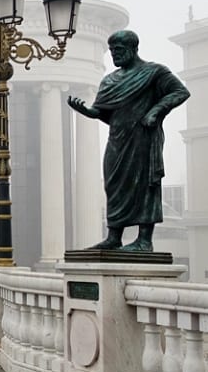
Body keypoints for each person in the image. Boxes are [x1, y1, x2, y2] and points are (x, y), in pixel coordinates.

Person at [68, 30, 190, 252]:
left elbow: (180, 92)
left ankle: (144, 240)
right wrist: (85, 111)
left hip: (144, 138)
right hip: (117, 140)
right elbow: (102, 112)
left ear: (134, 49)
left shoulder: (154, 72)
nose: (114, 54)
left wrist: (156, 110)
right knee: (113, 184)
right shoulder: (110, 80)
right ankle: (114, 237)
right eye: (112, 51)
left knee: (145, 184)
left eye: (119, 50)